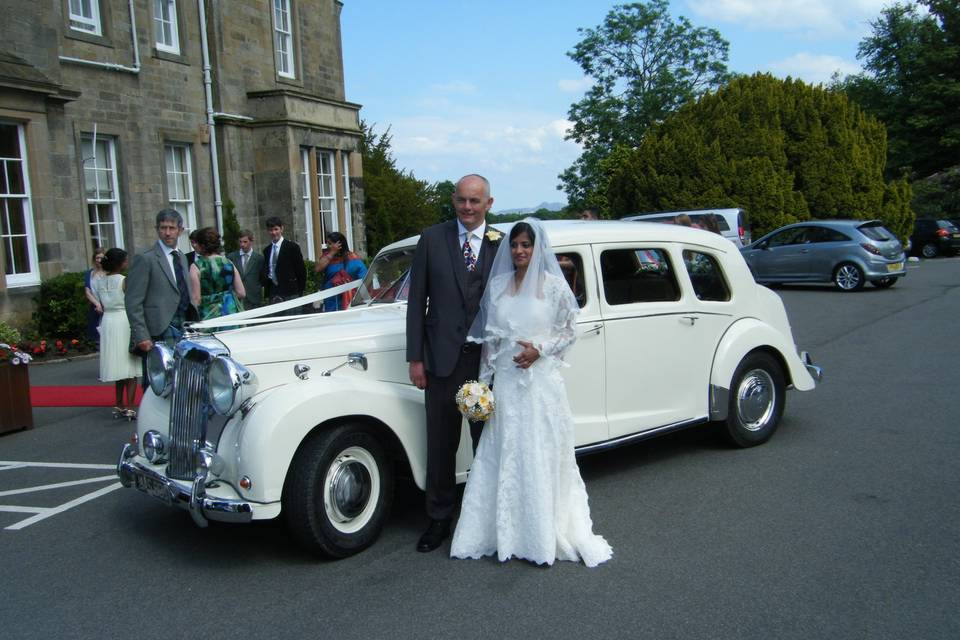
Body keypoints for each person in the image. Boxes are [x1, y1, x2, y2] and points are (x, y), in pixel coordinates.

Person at [450, 219, 612, 567]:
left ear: (538, 248)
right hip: (507, 382)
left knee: (538, 449)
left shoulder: (554, 287)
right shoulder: (497, 286)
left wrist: (540, 349)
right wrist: (482, 384)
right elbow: (491, 341)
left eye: (526, 245)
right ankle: (501, 531)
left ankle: (539, 533)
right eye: (515, 245)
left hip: (539, 383)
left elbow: (570, 331)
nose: (520, 251)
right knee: (505, 450)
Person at [406, 173, 502, 553]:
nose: (467, 207)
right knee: (441, 446)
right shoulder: (432, 239)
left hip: (486, 364)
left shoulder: (504, 244)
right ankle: (439, 519)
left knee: (486, 443)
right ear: (453, 199)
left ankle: (484, 517)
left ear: (488, 204)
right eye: (461, 200)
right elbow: (417, 303)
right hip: (440, 362)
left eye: (474, 201)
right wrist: (416, 358)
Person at [125, 209, 196, 363]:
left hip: (184, 325)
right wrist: (141, 335)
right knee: (157, 382)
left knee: (183, 378)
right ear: (157, 229)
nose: (167, 233)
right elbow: (133, 301)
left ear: (180, 230)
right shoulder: (145, 259)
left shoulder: (182, 257)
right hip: (158, 329)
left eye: (172, 228)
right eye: (163, 228)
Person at [94, 248, 141, 419]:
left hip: (108, 320)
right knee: (130, 365)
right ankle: (129, 405)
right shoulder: (124, 280)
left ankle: (119, 402)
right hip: (123, 320)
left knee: (116, 363)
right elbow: (132, 301)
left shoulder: (100, 281)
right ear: (120, 263)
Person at [189, 227, 246, 320]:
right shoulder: (228, 262)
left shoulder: (196, 267)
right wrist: (226, 296)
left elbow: (196, 299)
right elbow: (241, 292)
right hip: (230, 314)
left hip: (209, 316)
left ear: (201, 245)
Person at [259, 216, 306, 313]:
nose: (274, 233)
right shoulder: (267, 250)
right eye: (271, 230)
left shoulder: (292, 247)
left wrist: (299, 292)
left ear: (282, 229)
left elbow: (301, 271)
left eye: (276, 229)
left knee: (292, 322)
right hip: (274, 291)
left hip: (290, 291)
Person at [314, 231, 367, 311]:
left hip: (350, 299)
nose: (327, 246)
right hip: (331, 300)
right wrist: (332, 253)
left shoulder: (353, 258)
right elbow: (317, 269)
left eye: (330, 243)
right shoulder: (327, 257)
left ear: (339, 244)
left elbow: (364, 278)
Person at [227, 229, 264, 308]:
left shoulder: (259, 258)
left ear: (251, 241)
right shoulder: (232, 257)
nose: (242, 244)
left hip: (253, 298)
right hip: (237, 297)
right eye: (240, 242)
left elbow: (262, 278)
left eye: (245, 242)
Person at [83, 247, 106, 347]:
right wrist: (97, 304)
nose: (99, 260)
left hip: (107, 307)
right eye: (97, 258)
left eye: (101, 258)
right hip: (95, 308)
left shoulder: (109, 273)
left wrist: (103, 305)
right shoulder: (89, 273)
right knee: (97, 340)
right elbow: (88, 291)